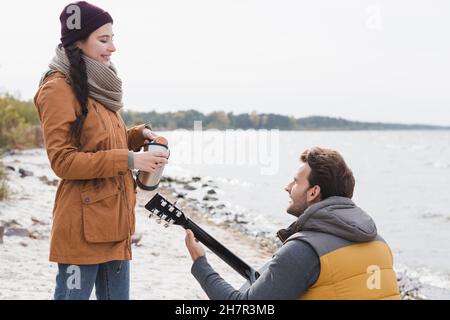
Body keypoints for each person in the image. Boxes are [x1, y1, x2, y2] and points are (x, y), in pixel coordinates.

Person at [34, 1, 168, 300]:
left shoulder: (98, 82)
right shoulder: (57, 88)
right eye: (103, 39)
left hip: (116, 223)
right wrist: (132, 159)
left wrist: (136, 136)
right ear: (78, 42)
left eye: (112, 38)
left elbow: (99, 142)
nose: (113, 47)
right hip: (81, 230)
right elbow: (63, 161)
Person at [185, 147, 401, 299]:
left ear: (313, 192)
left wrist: (200, 263)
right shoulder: (380, 243)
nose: (287, 187)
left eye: (296, 182)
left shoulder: (305, 250)